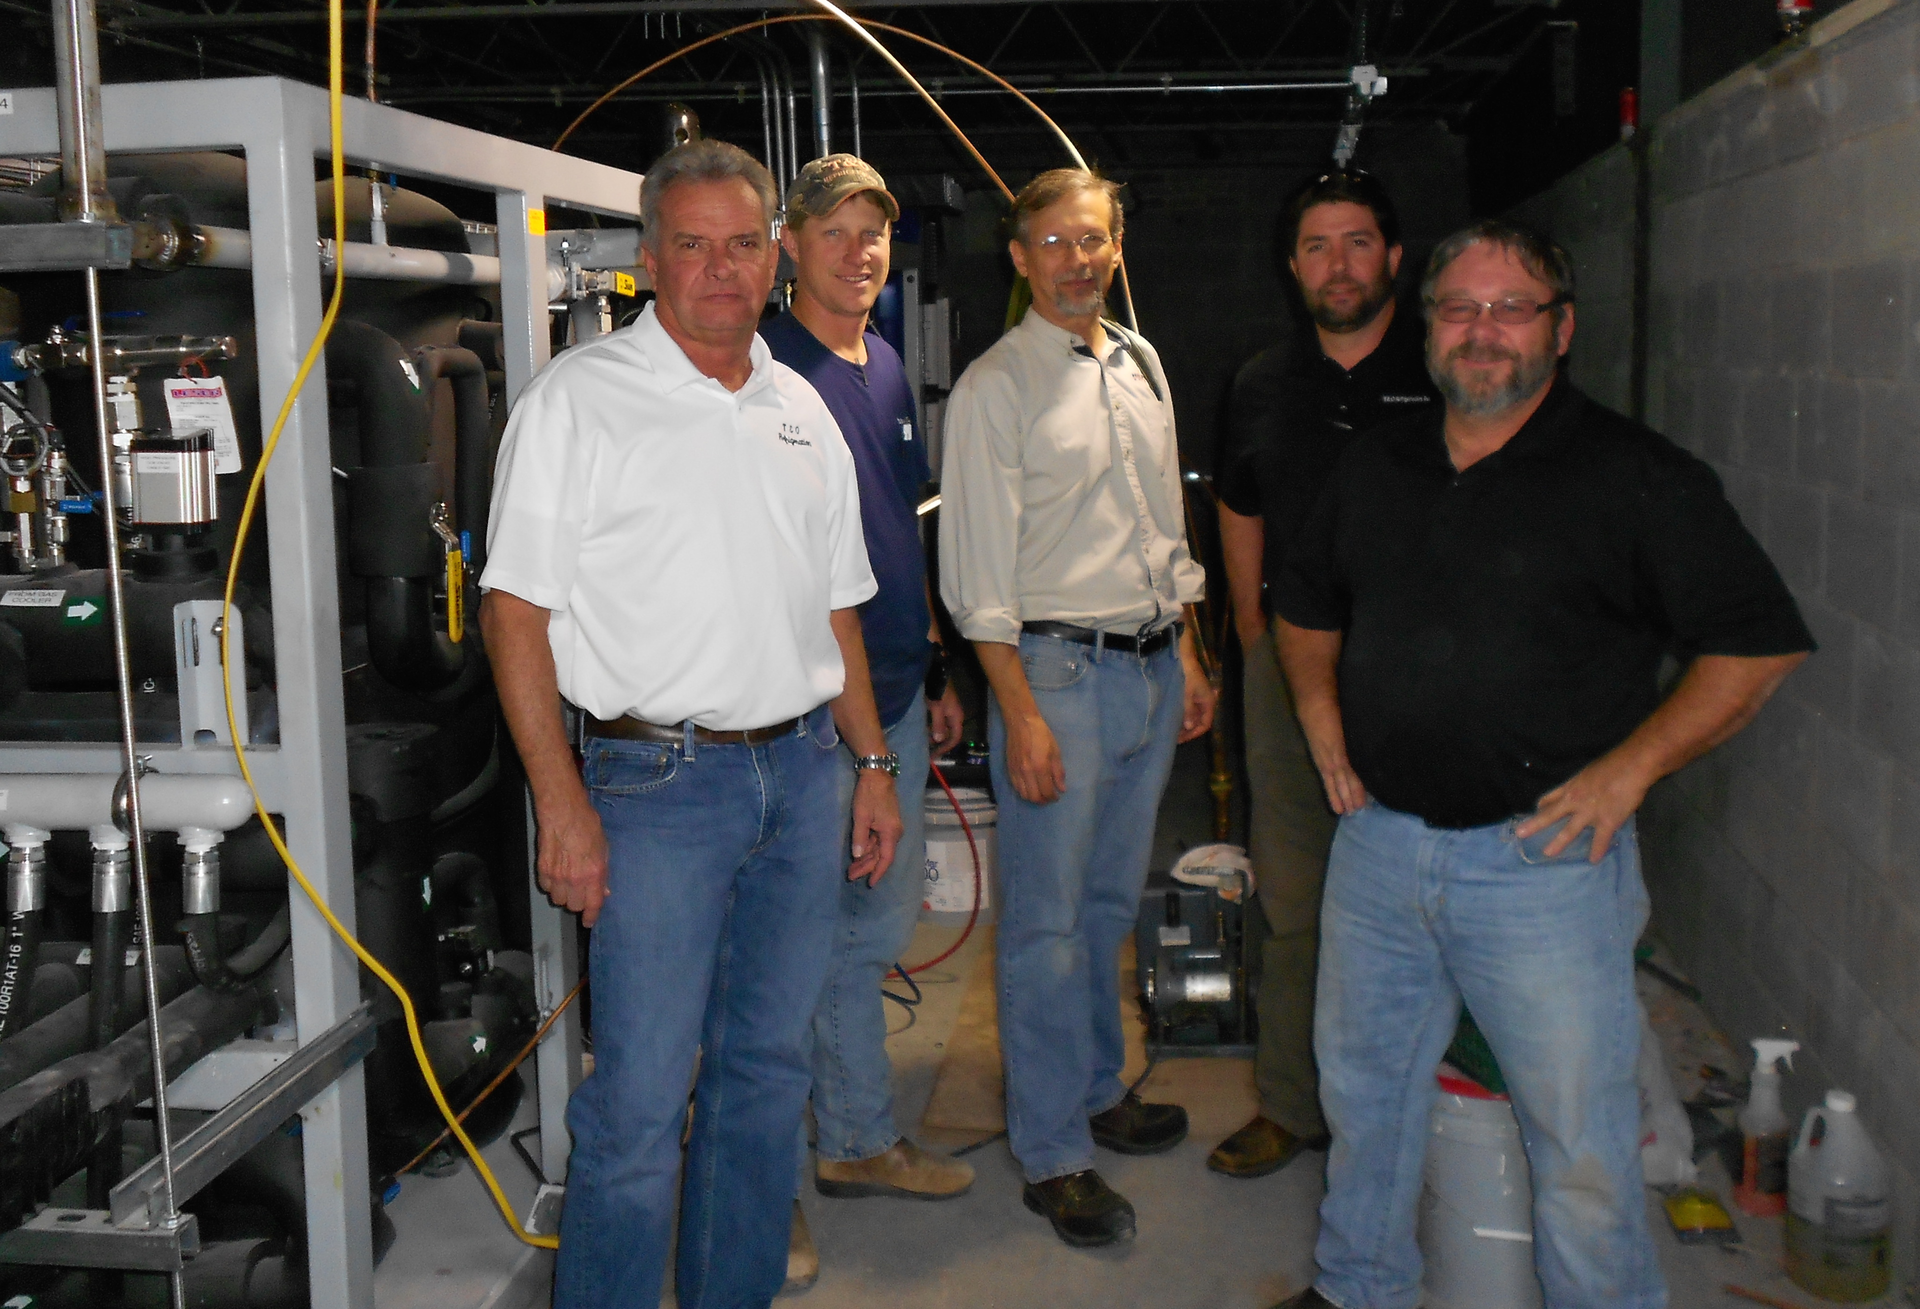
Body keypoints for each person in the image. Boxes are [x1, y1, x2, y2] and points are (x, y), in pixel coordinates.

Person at [1269, 219, 1812, 1309]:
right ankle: (1357, 1288)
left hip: (1543, 867)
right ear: (1426, 329)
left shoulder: (1634, 476)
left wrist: (1628, 772)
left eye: (1510, 307)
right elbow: (1305, 604)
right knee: (1367, 1106)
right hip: (1380, 852)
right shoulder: (1378, 464)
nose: (1482, 331)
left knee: (1582, 1144)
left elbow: (1758, 645)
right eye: (1458, 307)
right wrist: (1324, 728)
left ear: (1560, 330)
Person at [478, 139, 904, 1309]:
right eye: (691, 246)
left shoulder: (802, 407)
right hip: (654, 789)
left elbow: (838, 609)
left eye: (740, 244)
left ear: (772, 254)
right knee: (639, 1104)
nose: (719, 269)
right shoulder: (579, 401)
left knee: (766, 1080)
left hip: (805, 775)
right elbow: (513, 612)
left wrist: (871, 764)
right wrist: (559, 799)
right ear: (650, 259)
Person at [939, 167, 1215, 1250]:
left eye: (1092, 239)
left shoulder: (1139, 363)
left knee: (1105, 911)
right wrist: (1021, 712)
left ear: (1115, 246)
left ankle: (1101, 1088)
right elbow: (977, 578)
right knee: (1047, 928)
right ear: (1019, 258)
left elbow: (1164, 524)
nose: (1075, 259)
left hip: (1147, 667)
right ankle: (1052, 1149)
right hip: (1052, 674)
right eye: (1051, 243)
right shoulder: (994, 388)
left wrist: (1187, 652)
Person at [760, 154, 974, 1287]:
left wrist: (932, 665)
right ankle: (763, 1191)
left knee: (865, 943)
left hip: (890, 684)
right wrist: (869, 747)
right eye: (835, 231)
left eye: (874, 232)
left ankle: (851, 1142)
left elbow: (900, 528)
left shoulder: (882, 364)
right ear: (788, 243)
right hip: (814, 712)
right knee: (780, 957)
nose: (861, 251)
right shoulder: (765, 372)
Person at [1210, 170, 1437, 1181]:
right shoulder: (1262, 381)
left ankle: (1416, 1108)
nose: (1336, 265)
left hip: (1424, 675)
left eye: (1357, 243)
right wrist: (1254, 627)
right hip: (1289, 669)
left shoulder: (1444, 367)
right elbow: (1241, 504)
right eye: (1315, 246)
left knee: (1428, 896)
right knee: (1293, 895)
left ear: (1394, 258)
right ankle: (1292, 1105)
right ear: (1291, 264)